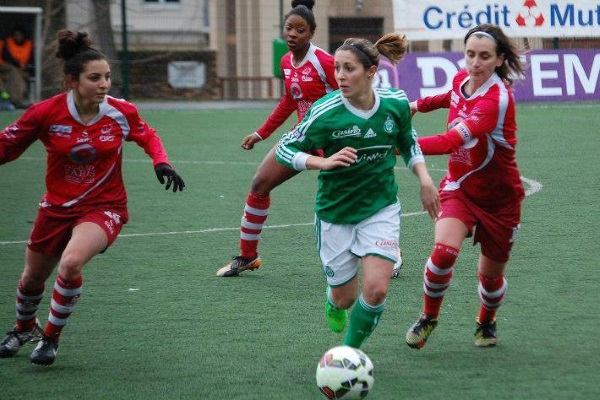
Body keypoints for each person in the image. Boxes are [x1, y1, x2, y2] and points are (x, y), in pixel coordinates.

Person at [0, 29, 185, 366]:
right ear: (73, 80)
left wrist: (161, 161)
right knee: (31, 279)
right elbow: (7, 147)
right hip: (56, 208)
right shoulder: (46, 113)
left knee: (70, 263)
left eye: (108, 77)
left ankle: (50, 339)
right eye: (95, 78)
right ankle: (23, 327)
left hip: (104, 207)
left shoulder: (120, 112)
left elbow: (148, 136)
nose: (104, 84)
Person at [275, 33, 439, 349]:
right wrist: (320, 163)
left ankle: (347, 354)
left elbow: (408, 141)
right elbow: (285, 148)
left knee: (376, 289)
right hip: (335, 212)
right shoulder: (326, 112)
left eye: (348, 68)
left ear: (370, 71)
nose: (339, 76)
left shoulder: (395, 103)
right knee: (344, 297)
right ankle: (333, 301)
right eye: (337, 68)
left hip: (380, 207)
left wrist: (424, 179)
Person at [405, 24, 526, 349]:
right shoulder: (463, 78)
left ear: (500, 59)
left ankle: (486, 320)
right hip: (459, 187)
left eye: (484, 57)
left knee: (490, 278)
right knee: (443, 254)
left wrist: (402, 144)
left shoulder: (497, 100)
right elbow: (451, 96)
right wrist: (416, 105)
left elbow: (449, 141)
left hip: (501, 200)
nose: (475, 63)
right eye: (470, 54)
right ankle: (429, 316)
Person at [216, 0, 338, 277]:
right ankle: (248, 256)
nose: (292, 34)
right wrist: (260, 133)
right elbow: (288, 100)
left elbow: (345, 95)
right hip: (301, 136)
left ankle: (391, 253)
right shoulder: (285, 60)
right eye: (288, 28)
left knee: (355, 197)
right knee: (260, 184)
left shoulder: (325, 62)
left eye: (300, 30)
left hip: (332, 140)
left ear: (312, 33)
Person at [0, 26, 33, 109]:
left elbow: (32, 59)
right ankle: (16, 100)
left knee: (11, 76)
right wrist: (18, 64)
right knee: (14, 72)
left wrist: (25, 66)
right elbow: (7, 56)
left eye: (20, 35)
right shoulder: (8, 43)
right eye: (16, 35)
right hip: (10, 66)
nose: (18, 37)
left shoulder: (29, 44)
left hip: (19, 69)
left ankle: (10, 100)